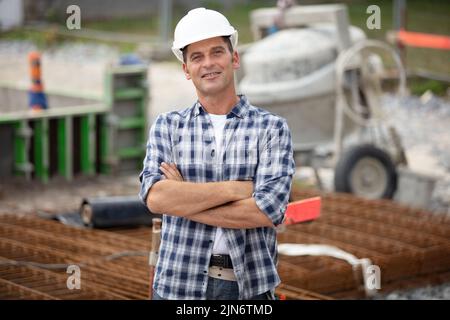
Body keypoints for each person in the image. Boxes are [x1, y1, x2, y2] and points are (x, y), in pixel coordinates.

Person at [139, 7, 295, 300]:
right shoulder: (168, 127)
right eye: (196, 57)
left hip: (248, 289)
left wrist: (184, 197)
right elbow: (157, 198)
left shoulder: (271, 129)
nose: (208, 63)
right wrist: (236, 190)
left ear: (234, 58)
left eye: (217, 52)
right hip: (177, 286)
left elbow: (267, 210)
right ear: (186, 69)